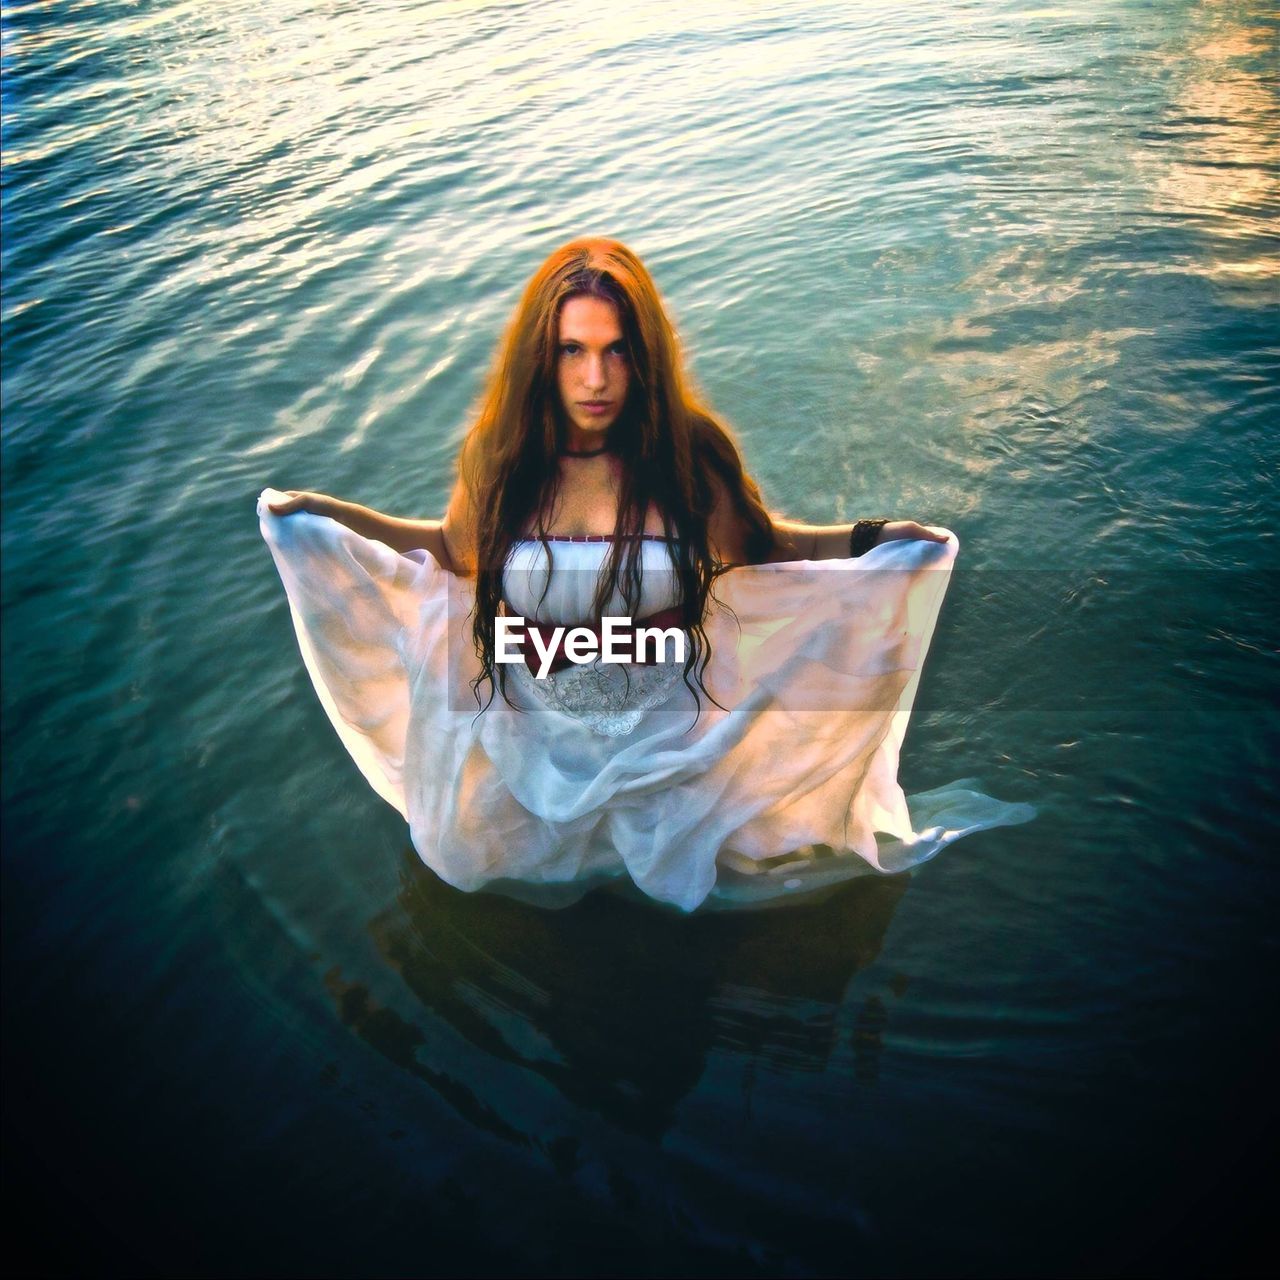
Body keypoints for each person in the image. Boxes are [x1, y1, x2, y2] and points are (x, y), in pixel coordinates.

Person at [258, 237, 1032, 912]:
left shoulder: (684, 455)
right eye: (573, 350)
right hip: (539, 732)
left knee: (706, 896)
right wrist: (328, 518)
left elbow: (763, 551)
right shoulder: (501, 460)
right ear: (543, 357)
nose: (596, 377)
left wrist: (875, 540)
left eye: (617, 349)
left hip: (670, 733)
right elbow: (455, 553)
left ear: (644, 354)